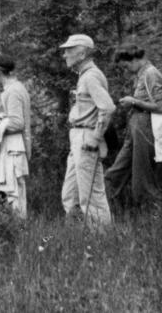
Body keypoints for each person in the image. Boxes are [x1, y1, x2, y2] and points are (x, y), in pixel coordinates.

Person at [58, 34, 115, 228]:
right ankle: (78, 236)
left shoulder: (91, 76)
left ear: (82, 53)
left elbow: (107, 108)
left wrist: (96, 137)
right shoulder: (84, 75)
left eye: (69, 50)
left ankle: (102, 240)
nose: (65, 54)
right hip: (78, 137)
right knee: (70, 193)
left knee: (91, 195)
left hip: (87, 137)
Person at [105, 44, 162, 213]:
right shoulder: (141, 75)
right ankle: (107, 216)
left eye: (126, 66)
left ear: (133, 59)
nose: (126, 70)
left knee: (143, 181)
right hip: (134, 131)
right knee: (114, 175)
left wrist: (134, 101)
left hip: (145, 130)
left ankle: (153, 222)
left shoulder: (151, 74)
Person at [0, 54, 32, 219]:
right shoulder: (11, 90)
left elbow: (17, 123)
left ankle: (20, 234)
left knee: (13, 195)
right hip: (7, 149)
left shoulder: (14, 91)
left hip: (13, 150)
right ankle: (13, 233)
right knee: (5, 193)